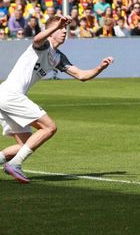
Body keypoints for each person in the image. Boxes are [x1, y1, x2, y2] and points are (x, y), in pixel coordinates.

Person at [0, 15, 113, 183]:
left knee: (25, 145)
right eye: (60, 28)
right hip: (11, 95)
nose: (64, 31)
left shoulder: (58, 56)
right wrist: (55, 26)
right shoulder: (43, 44)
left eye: (65, 28)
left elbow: (81, 75)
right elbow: (36, 39)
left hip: (6, 96)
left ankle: (12, 162)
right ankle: (15, 164)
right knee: (49, 127)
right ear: (50, 31)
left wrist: (100, 67)